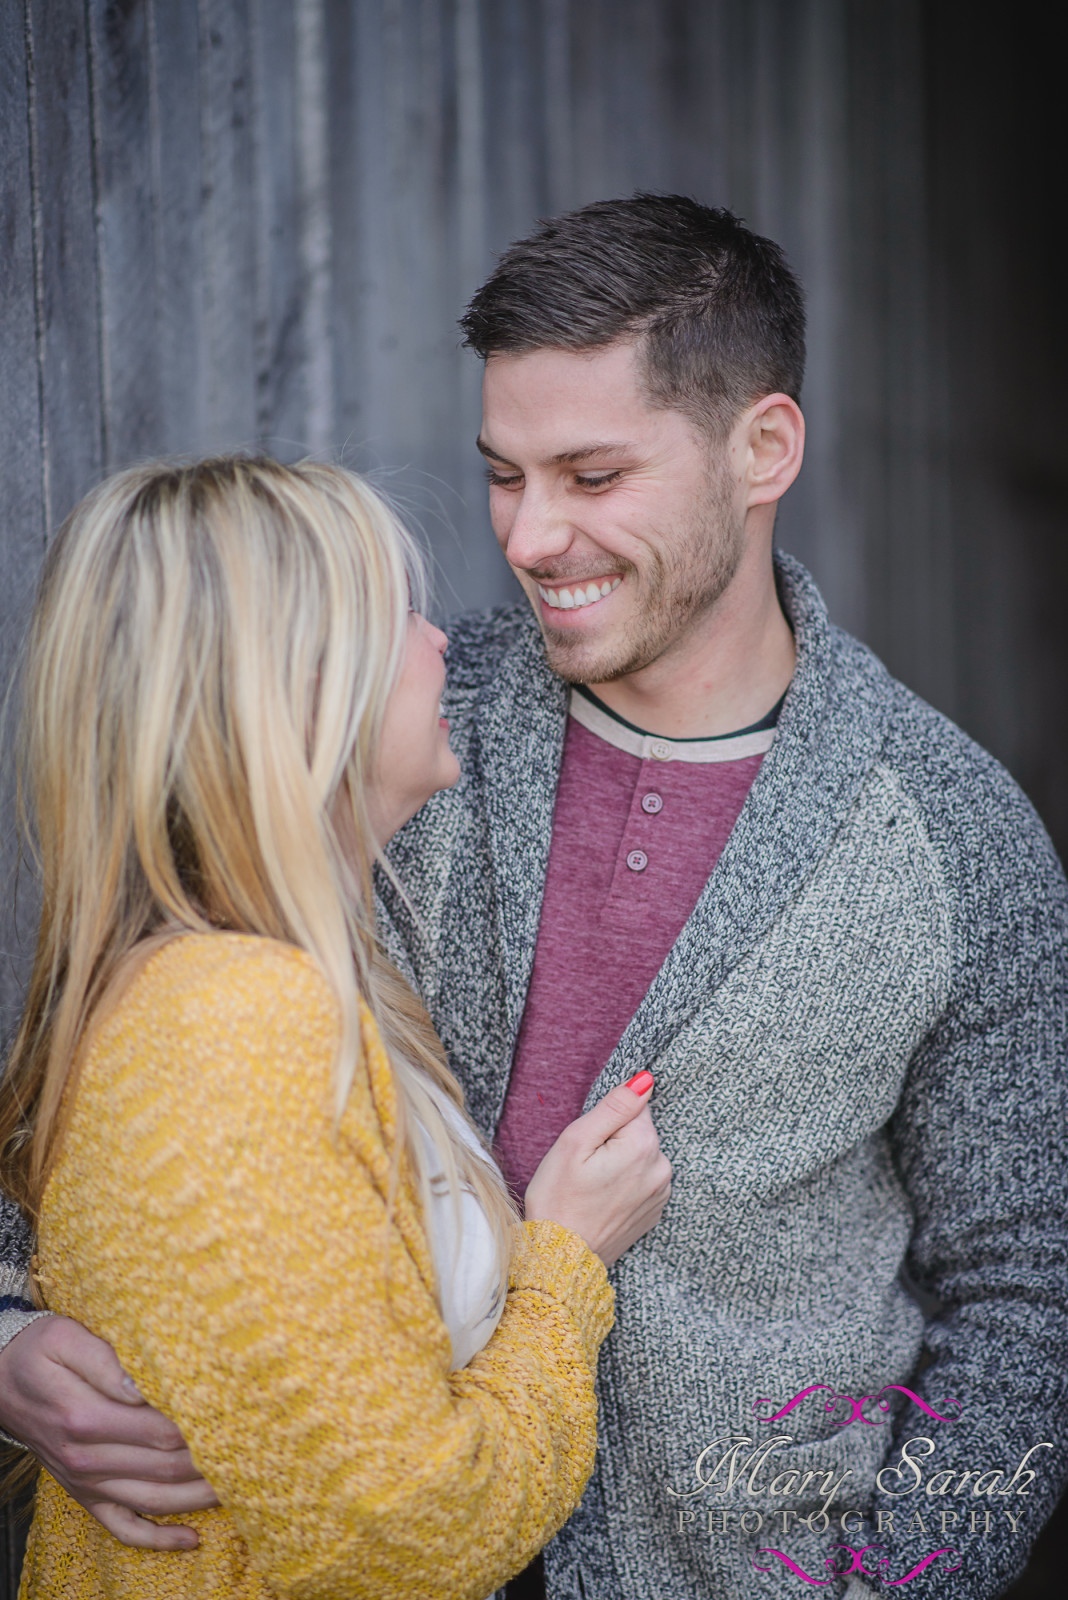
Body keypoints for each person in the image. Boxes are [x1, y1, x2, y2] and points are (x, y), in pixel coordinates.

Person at [3, 195, 1068, 1598]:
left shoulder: (950, 831)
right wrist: (9, 1327)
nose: (528, 534)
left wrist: (891, 1585)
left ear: (764, 449)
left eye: (592, 474)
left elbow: (1022, 1298)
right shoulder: (371, 743)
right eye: (504, 473)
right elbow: (109, 1062)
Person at [0, 455, 671, 1599]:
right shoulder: (234, 1021)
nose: (442, 638)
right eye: (399, 613)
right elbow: (400, 1537)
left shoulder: (244, 981)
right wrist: (563, 1267)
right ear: (299, 689)